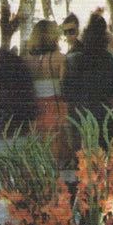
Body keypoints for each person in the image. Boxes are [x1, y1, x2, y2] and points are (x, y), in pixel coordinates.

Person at [63, 12, 113, 148]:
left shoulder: (75, 57)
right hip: (103, 115)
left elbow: (67, 90)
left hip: (81, 115)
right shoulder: (108, 57)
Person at [25, 19, 70, 160]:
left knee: (38, 150)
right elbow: (65, 87)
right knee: (57, 149)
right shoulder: (61, 59)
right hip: (56, 106)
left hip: (35, 108)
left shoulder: (27, 60)